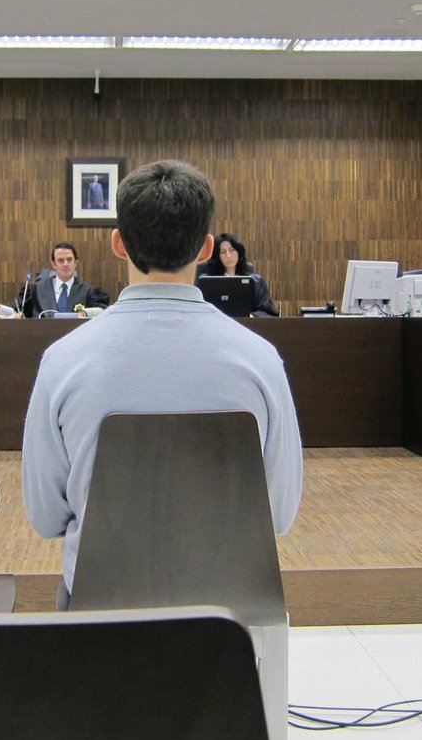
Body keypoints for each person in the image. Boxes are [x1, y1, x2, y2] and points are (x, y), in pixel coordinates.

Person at [21, 160, 303, 602]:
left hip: (98, 602)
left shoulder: (62, 361)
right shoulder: (260, 360)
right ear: (206, 248)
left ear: (118, 244)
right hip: (225, 608)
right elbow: (280, 514)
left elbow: (45, 518)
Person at [14, 242, 110, 318]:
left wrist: (85, 313)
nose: (65, 264)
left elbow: (103, 312)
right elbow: (17, 313)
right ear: (53, 264)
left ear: (75, 262)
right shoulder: (35, 290)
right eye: (60, 260)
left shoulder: (89, 292)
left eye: (69, 260)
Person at [195, 231, 280, 317]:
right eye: (223, 252)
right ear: (218, 256)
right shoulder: (207, 282)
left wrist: (252, 316)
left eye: (232, 250)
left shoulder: (255, 282)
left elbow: (268, 313)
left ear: (238, 251)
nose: (228, 255)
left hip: (246, 324)